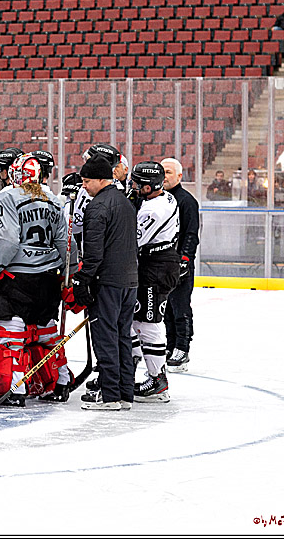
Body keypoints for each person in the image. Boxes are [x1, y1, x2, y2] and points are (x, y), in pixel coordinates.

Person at [0, 153, 70, 406]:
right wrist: (70, 276)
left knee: (11, 334)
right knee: (47, 331)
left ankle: (16, 388)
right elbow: (64, 242)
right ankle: (61, 381)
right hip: (49, 277)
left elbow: (6, 240)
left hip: (18, 278)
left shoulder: (6, 197)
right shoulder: (54, 199)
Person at [74, 155, 139, 411]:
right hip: (129, 281)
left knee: (105, 337)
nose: (84, 186)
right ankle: (125, 394)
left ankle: (109, 395)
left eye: (87, 181)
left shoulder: (98, 207)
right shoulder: (125, 202)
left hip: (107, 282)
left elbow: (93, 252)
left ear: (102, 179)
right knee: (123, 336)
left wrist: (83, 281)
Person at [128, 161, 180, 402]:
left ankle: (158, 379)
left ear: (149, 187)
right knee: (138, 320)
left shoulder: (153, 210)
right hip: (158, 263)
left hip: (156, 268)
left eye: (137, 184)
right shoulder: (165, 197)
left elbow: (134, 240)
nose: (133, 187)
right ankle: (140, 367)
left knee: (149, 323)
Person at [162, 157, 200, 372]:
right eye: (162, 172)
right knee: (165, 308)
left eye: (169, 172)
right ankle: (170, 345)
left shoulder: (186, 201)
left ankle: (182, 348)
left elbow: (191, 234)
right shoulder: (159, 199)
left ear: (179, 176)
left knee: (180, 306)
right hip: (161, 263)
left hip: (179, 263)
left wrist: (185, 259)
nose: (164, 176)